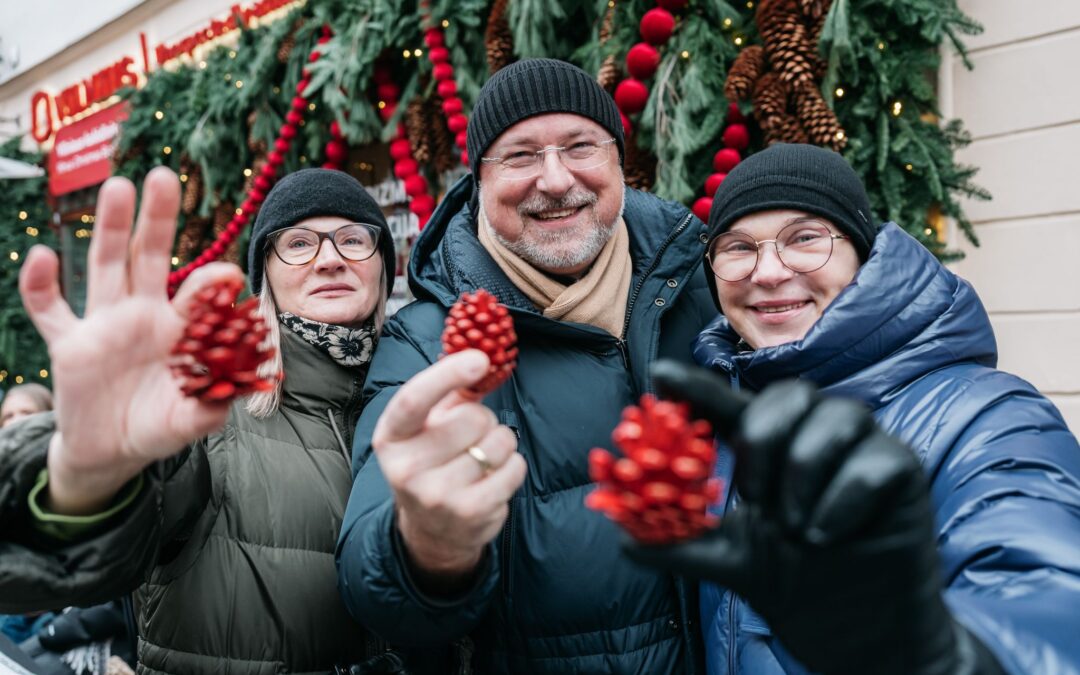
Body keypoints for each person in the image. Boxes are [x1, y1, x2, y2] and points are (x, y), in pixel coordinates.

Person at [625, 143, 1080, 674]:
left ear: (862, 256)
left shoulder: (990, 417)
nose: (768, 271)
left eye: (805, 238)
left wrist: (939, 656)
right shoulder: (721, 420)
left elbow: (1048, 604)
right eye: (737, 247)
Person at [335, 58, 717, 673]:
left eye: (580, 147)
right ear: (479, 181)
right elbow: (372, 585)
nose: (557, 179)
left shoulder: (709, 284)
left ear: (620, 161)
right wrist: (428, 548)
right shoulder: (427, 343)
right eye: (519, 156)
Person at [0, 167, 405, 673]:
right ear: (267, 278)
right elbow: (80, 562)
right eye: (299, 244)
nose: (329, 259)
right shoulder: (205, 415)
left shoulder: (426, 392)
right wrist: (88, 478)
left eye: (353, 239)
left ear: (382, 266)